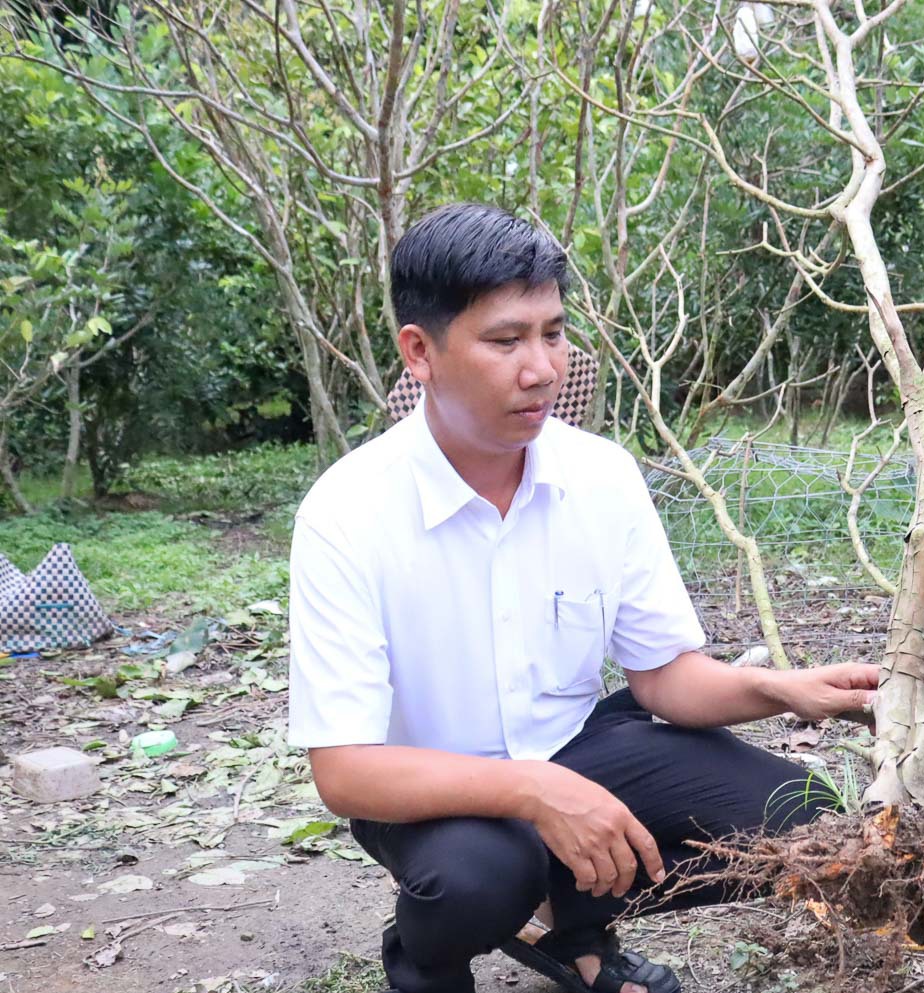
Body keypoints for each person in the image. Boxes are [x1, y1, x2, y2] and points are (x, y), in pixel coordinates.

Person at [288, 202, 878, 993]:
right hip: (429, 791)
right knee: (475, 877)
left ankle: (567, 920)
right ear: (419, 351)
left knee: (803, 813)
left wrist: (778, 689)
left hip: (577, 745)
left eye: (553, 332)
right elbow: (347, 772)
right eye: (505, 340)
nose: (541, 367)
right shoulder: (347, 510)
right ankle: (430, 951)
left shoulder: (599, 475)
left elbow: (665, 677)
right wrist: (537, 790)